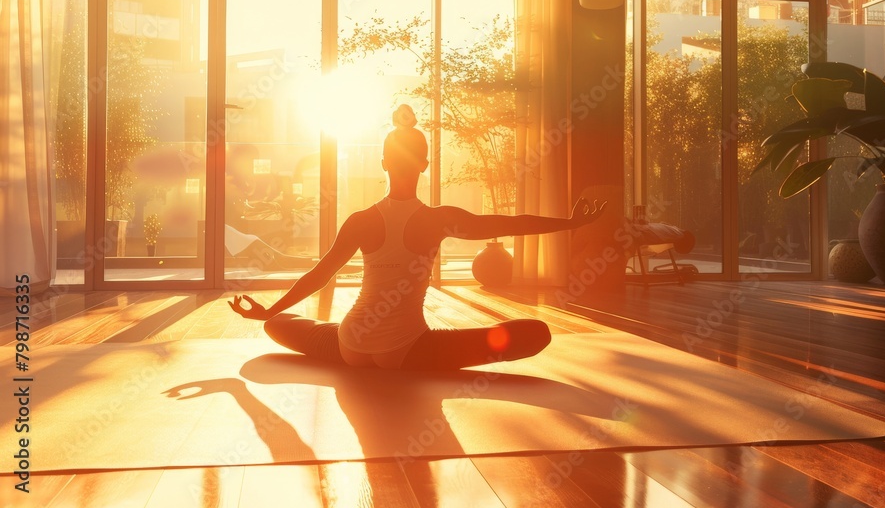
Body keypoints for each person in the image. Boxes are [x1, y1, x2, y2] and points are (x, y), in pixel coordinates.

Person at [229, 104, 605, 370]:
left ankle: (280, 321)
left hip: (350, 346)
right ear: (424, 165)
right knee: (535, 333)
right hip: (408, 350)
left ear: (383, 164)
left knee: (279, 325)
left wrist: (269, 311)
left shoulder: (360, 220)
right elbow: (509, 222)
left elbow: (319, 275)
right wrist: (570, 225)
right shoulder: (438, 220)